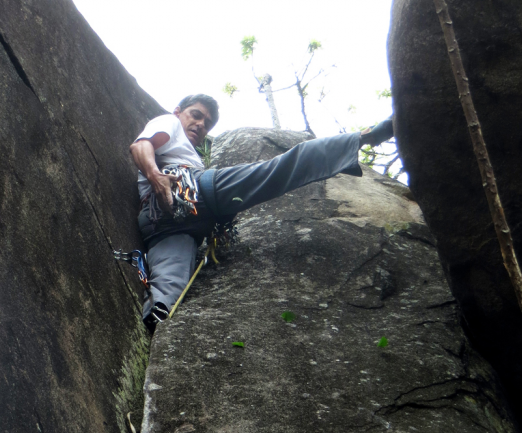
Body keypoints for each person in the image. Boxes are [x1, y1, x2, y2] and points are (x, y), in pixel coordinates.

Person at [130, 94, 394, 326]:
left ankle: (157, 314)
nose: (200, 125)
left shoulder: (188, 149)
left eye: (206, 124)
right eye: (195, 115)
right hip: (191, 190)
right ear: (178, 112)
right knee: (280, 169)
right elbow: (141, 145)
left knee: (168, 288)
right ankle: (364, 137)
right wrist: (154, 174)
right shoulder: (169, 122)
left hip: (161, 221)